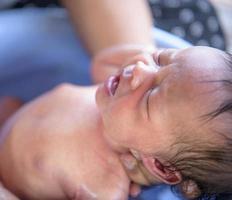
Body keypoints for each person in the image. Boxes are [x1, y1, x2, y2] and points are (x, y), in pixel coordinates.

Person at [0, 46, 232, 200]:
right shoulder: (115, 97)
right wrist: (146, 56)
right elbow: (102, 61)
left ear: (160, 167)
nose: (141, 69)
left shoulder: (103, 188)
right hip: (10, 118)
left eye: (150, 96)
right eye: (161, 59)